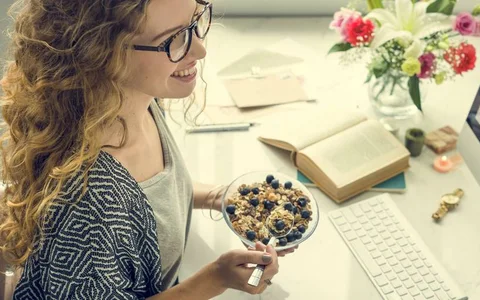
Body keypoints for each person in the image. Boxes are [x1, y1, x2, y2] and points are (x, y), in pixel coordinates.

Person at [0, 0, 294, 298]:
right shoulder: (91, 204)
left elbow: (151, 195)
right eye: (172, 39)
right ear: (102, 53)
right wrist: (216, 278)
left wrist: (221, 197)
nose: (200, 50)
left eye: (195, 21)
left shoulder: (138, 99)